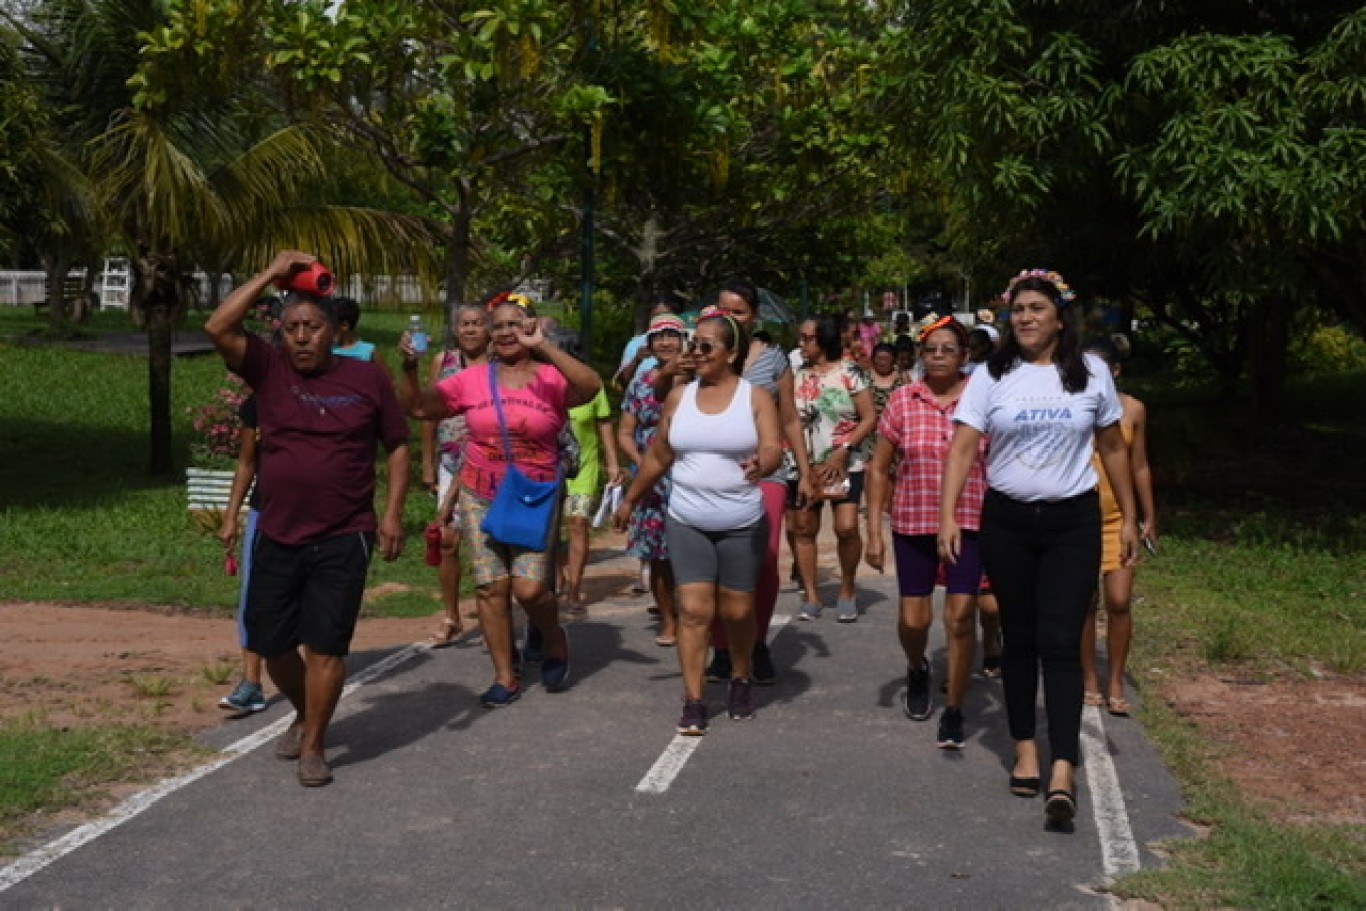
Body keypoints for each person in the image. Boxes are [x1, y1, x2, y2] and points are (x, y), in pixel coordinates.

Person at [939, 268, 1138, 828]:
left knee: (1061, 640)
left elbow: (1113, 446)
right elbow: (962, 449)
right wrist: (948, 514)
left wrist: (1128, 517)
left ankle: (1063, 766)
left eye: (1036, 309)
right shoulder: (991, 374)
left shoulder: (1090, 371)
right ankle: (1025, 746)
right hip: (1006, 523)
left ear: (1059, 317)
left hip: (1073, 523)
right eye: (1017, 309)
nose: (1025, 317)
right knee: (1020, 638)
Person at [204, 250, 411, 787]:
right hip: (276, 530)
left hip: (344, 534)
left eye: (312, 327)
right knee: (272, 644)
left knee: (325, 646)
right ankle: (304, 712)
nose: (300, 336)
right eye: (291, 327)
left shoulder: (367, 378)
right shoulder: (266, 368)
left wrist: (391, 514)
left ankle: (315, 743)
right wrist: (271, 275)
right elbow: (217, 324)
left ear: (333, 331)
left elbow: (396, 446)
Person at [399, 295, 601, 707]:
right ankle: (504, 676)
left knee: (528, 589)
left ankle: (553, 637)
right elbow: (419, 407)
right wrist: (408, 367)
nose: (507, 331)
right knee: (491, 587)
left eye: (517, 324)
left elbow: (591, 387)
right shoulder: (471, 379)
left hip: (534, 490)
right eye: (500, 325)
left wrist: (543, 346)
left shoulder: (549, 376)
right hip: (479, 490)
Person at [613, 312, 782, 734]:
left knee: (738, 609)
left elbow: (773, 446)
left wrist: (762, 462)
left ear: (732, 353)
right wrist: (631, 500)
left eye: (707, 346)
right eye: (695, 344)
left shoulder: (755, 396)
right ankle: (693, 699)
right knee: (693, 611)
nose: (697, 353)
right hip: (686, 518)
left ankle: (740, 675)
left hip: (741, 520)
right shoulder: (679, 396)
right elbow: (658, 455)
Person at [865, 316, 987, 750]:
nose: (938, 356)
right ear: (919, 355)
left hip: (970, 521)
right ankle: (918, 668)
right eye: (931, 349)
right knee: (913, 620)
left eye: (948, 349)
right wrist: (874, 533)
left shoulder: (981, 400)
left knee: (959, 617)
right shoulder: (902, 400)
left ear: (965, 356)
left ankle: (954, 707)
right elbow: (879, 467)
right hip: (913, 521)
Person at [692, 281, 814, 685]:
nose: (731, 317)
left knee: (761, 559)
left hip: (767, 471)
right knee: (712, 565)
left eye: (740, 312)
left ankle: (756, 642)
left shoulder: (774, 359)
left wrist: (805, 470)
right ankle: (723, 648)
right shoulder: (701, 356)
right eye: (723, 309)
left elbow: (790, 417)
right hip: (711, 473)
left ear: (755, 317)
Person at [1080, 337, 1157, 718]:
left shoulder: (1132, 410)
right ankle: (1089, 679)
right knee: (1085, 603)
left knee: (1119, 601)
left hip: (1118, 520)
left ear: (1115, 372)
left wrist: (1147, 516)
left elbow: (1139, 465)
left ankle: (1115, 680)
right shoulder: (1073, 406)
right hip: (1079, 518)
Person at [791, 313, 878, 622]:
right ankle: (811, 596)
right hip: (803, 465)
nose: (801, 344)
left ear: (824, 339)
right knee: (803, 528)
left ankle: (847, 589)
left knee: (846, 527)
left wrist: (844, 450)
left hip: (845, 464)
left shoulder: (850, 372)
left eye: (808, 338)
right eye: (800, 338)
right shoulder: (795, 375)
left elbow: (869, 417)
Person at [419, 303, 490, 646]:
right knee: (447, 539)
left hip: (489, 463)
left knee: (488, 542)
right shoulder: (442, 363)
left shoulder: (498, 364)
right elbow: (429, 412)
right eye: (465, 324)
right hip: (450, 460)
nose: (471, 330)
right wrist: (428, 463)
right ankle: (451, 616)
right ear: (455, 329)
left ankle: (494, 610)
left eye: (477, 323)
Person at [618, 313, 687, 646]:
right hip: (651, 480)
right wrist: (641, 462)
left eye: (672, 335)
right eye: (658, 337)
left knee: (691, 550)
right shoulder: (640, 380)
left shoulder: (697, 377)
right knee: (658, 555)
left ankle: (694, 615)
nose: (665, 342)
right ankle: (669, 619)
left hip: (690, 473)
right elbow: (625, 432)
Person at [216, 393, 266, 714]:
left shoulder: (324, 398)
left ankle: (314, 677)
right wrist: (232, 515)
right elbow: (247, 461)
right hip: (267, 512)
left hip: (318, 516)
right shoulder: (256, 406)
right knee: (253, 594)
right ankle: (251, 683)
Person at [562, 379, 625, 617]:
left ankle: (574, 589)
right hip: (547, 468)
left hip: (583, 468)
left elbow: (604, 423)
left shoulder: (590, 384)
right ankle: (557, 574)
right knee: (547, 529)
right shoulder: (537, 380)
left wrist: (612, 463)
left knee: (577, 522)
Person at [330, 296, 392, 376]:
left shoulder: (369, 352)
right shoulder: (326, 350)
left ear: (344, 325)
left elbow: (389, 382)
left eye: (330, 325)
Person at [867, 341, 908, 417]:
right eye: (879, 359)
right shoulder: (865, 376)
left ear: (893, 360)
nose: (882, 362)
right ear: (873, 359)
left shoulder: (902, 376)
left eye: (886, 359)